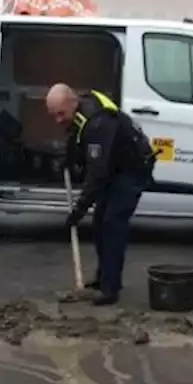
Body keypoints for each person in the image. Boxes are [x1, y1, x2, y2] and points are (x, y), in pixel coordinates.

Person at [46, 84, 155, 305]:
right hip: (115, 169)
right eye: (53, 115)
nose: (58, 120)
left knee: (112, 224)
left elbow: (97, 174)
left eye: (60, 114)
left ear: (73, 103)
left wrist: (79, 210)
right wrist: (67, 161)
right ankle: (103, 280)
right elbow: (75, 139)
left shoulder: (99, 123)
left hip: (132, 171)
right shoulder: (81, 114)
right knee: (99, 224)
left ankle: (110, 289)